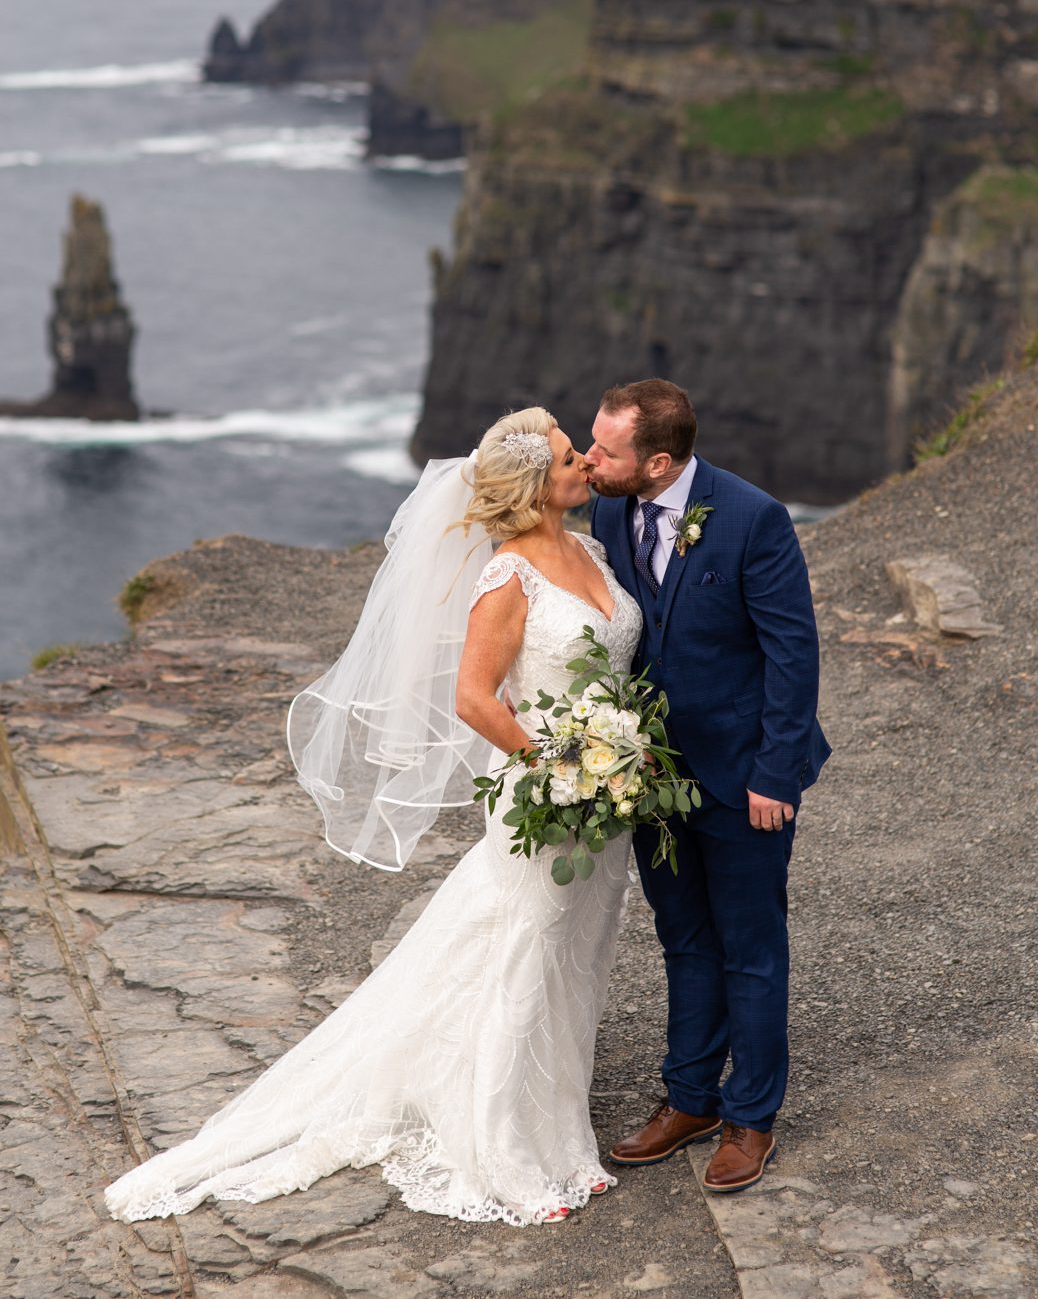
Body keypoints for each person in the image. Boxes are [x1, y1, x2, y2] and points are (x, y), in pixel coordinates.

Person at [104, 407, 643, 1229]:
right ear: (538, 488)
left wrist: (615, 756)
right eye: (571, 459)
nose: (586, 466)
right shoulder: (508, 577)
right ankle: (504, 1158)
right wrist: (560, 765)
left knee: (580, 952)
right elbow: (474, 699)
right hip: (547, 792)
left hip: (608, 791)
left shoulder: (592, 551)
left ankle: (564, 1139)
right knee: (527, 954)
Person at [586, 379, 829, 1193]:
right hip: (650, 775)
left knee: (751, 950)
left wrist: (775, 773)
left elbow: (793, 654)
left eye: (605, 449)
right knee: (684, 939)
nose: (589, 459)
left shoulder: (755, 518)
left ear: (658, 462)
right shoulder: (610, 511)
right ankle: (689, 1099)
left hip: (744, 776)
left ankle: (751, 1117)